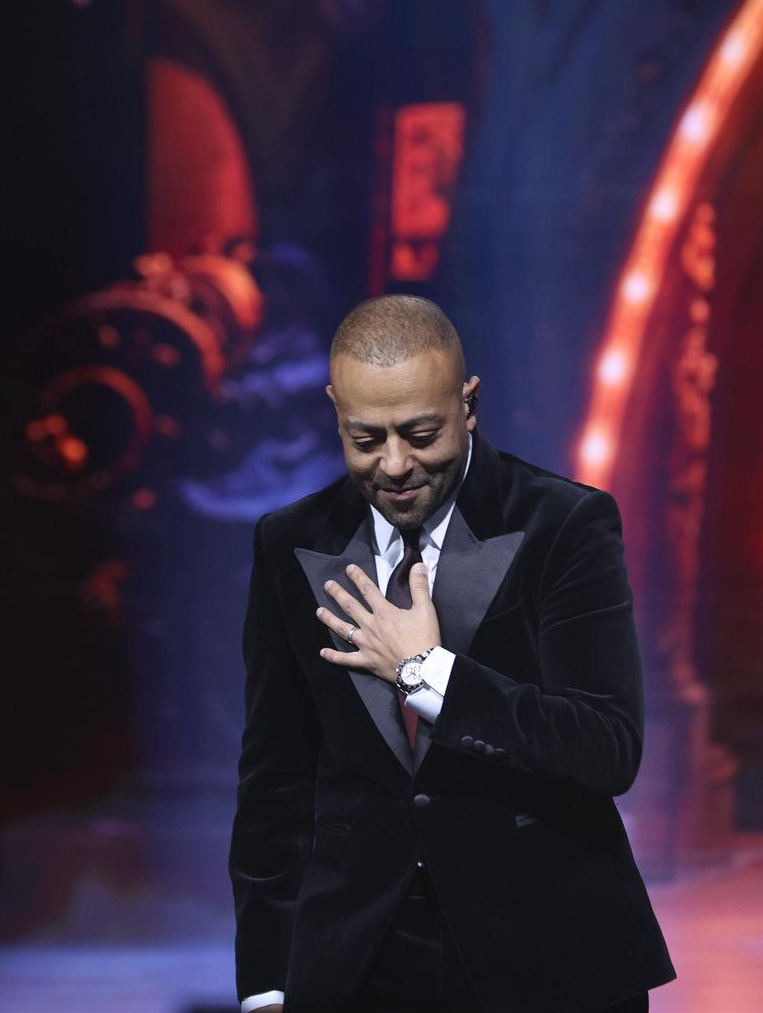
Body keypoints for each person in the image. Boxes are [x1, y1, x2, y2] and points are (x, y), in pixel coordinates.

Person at [230, 295, 674, 1012]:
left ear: (468, 404)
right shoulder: (289, 542)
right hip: (358, 964)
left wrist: (427, 673)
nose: (395, 464)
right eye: (366, 438)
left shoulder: (566, 525)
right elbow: (274, 780)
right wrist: (265, 984)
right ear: (335, 411)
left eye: (420, 433)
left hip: (548, 958)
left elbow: (606, 747)